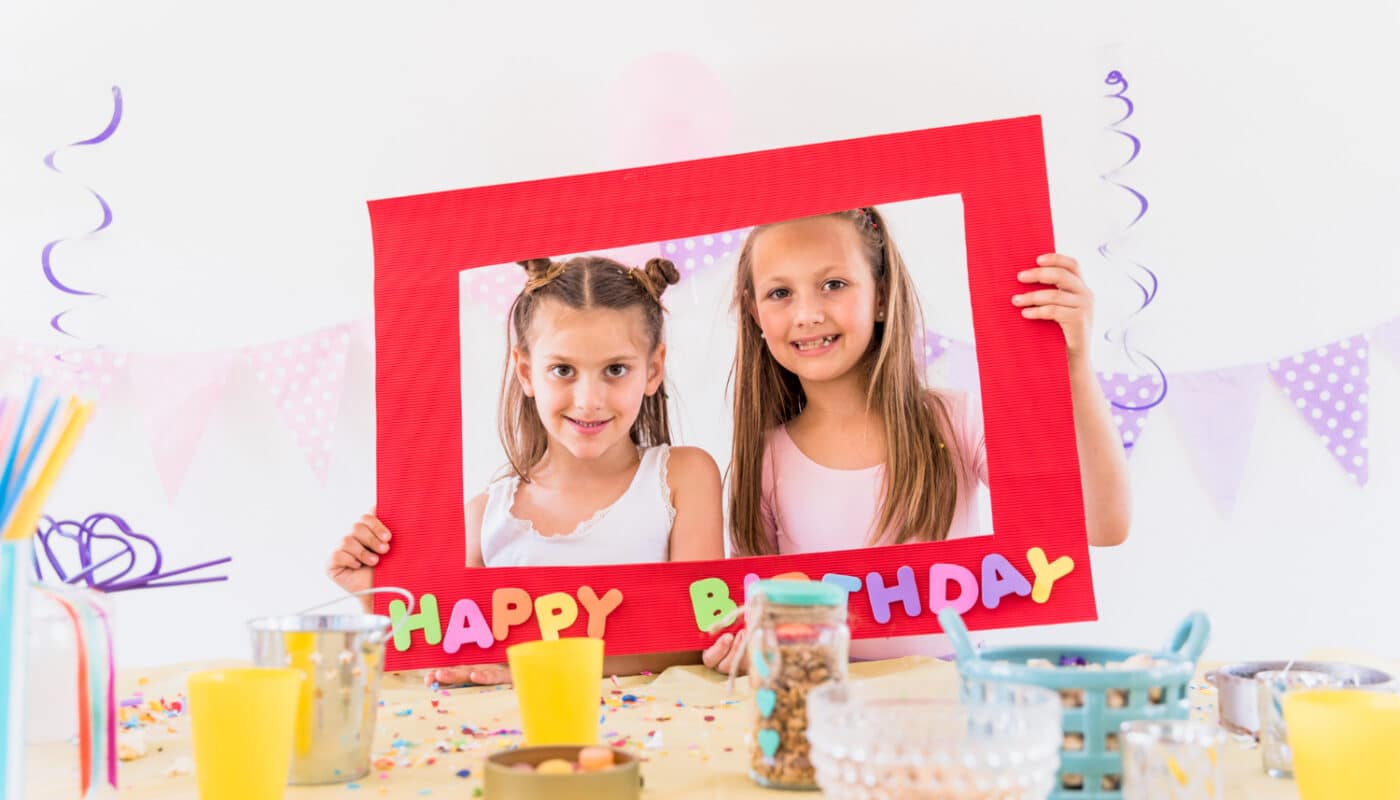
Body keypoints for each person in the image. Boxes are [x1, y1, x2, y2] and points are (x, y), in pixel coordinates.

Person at [704, 206, 1131, 672]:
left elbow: (1101, 524)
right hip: (824, 706)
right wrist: (743, 649)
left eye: (833, 284)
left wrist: (1072, 365)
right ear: (755, 314)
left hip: (949, 698)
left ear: (882, 294)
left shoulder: (958, 421)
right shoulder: (765, 458)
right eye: (780, 292)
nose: (807, 314)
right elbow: (756, 612)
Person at [329, 255, 726, 684]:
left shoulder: (681, 479)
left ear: (652, 369)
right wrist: (378, 595)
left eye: (615, 369)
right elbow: (447, 645)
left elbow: (692, 635)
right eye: (562, 370)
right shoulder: (487, 518)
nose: (589, 398)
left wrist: (527, 666)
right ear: (526, 371)